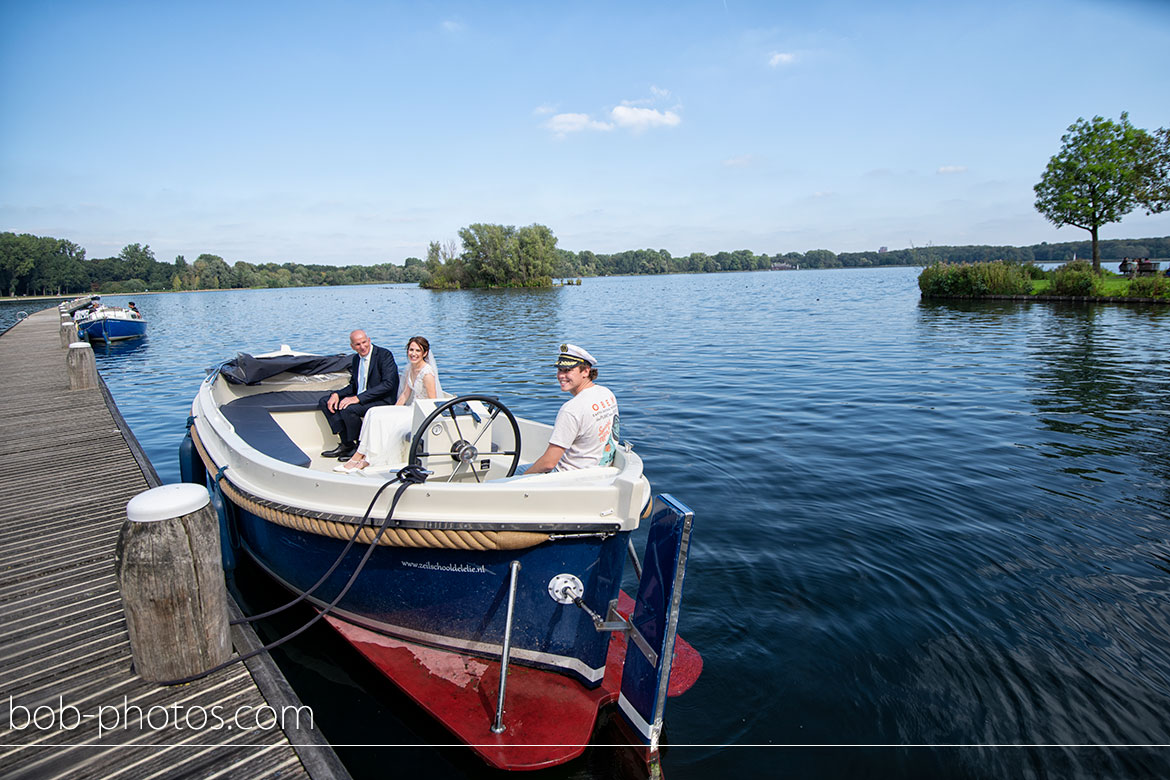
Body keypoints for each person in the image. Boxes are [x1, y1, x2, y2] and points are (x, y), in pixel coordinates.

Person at [336, 336, 441, 473]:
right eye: (411, 350)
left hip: (420, 414)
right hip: (410, 409)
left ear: (425, 353)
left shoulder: (427, 373)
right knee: (373, 412)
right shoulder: (411, 368)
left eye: (417, 351)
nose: (413, 354)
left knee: (382, 419)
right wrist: (393, 410)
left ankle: (362, 459)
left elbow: (432, 402)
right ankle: (362, 455)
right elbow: (404, 395)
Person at [523, 343, 619, 474]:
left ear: (586, 371)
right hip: (600, 472)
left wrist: (519, 480)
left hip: (567, 477)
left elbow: (548, 464)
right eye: (559, 370)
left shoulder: (571, 409)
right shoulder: (607, 393)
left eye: (567, 370)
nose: (561, 376)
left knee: (510, 475)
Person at [317, 329, 399, 459]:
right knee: (325, 401)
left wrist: (358, 398)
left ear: (369, 340)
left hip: (381, 399)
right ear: (352, 347)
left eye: (364, 342)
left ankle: (359, 447)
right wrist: (337, 394)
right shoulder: (356, 359)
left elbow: (388, 385)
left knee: (349, 409)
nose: (362, 347)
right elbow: (354, 385)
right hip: (362, 397)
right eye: (358, 344)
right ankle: (347, 444)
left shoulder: (384, 355)